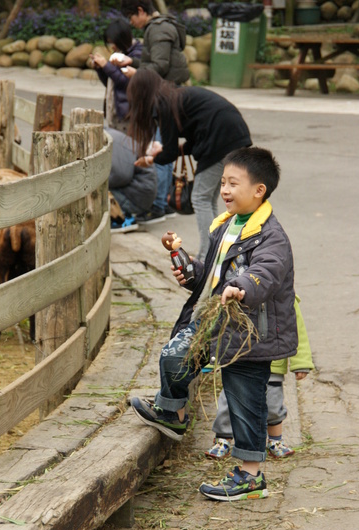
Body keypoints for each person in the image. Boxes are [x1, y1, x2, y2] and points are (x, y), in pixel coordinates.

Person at [131, 146, 298, 501]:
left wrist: (243, 286)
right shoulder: (225, 226)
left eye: (233, 183)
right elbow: (214, 275)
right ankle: (172, 410)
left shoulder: (272, 237)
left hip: (249, 335)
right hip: (213, 319)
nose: (223, 190)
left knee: (245, 400)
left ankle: (250, 475)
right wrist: (192, 274)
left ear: (259, 191)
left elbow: (264, 272)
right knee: (175, 356)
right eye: (222, 182)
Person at [127, 69, 252, 261]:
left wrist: (152, 159)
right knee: (206, 198)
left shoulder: (164, 104)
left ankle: (206, 256)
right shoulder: (174, 96)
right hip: (232, 133)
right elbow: (188, 143)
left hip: (221, 138)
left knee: (200, 198)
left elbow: (168, 153)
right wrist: (161, 155)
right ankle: (216, 250)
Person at [206, 296, 314, 460]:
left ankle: (275, 440)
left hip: (273, 362)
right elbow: (220, 326)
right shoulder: (237, 292)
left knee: (273, 404)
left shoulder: (285, 298)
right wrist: (212, 358)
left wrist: (301, 362)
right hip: (240, 360)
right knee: (230, 401)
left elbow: (296, 330)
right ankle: (223, 438)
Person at [119, 0, 190, 224]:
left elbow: (159, 66)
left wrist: (136, 72)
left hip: (165, 94)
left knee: (159, 149)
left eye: (131, 17)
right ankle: (163, 203)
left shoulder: (158, 28)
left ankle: (158, 205)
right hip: (169, 93)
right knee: (165, 147)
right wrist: (134, 61)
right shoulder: (162, 26)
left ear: (141, 11)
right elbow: (157, 61)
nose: (132, 23)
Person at [91, 18, 142, 133]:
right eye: (109, 42)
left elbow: (125, 82)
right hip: (117, 112)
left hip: (129, 115)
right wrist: (100, 69)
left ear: (122, 38)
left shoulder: (137, 54)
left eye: (113, 42)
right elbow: (110, 82)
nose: (112, 46)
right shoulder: (119, 53)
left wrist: (106, 65)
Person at [106, 127, 157, 232]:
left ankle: (123, 218)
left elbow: (121, 175)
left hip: (140, 195)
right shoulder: (113, 135)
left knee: (97, 189)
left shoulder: (111, 141)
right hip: (142, 190)